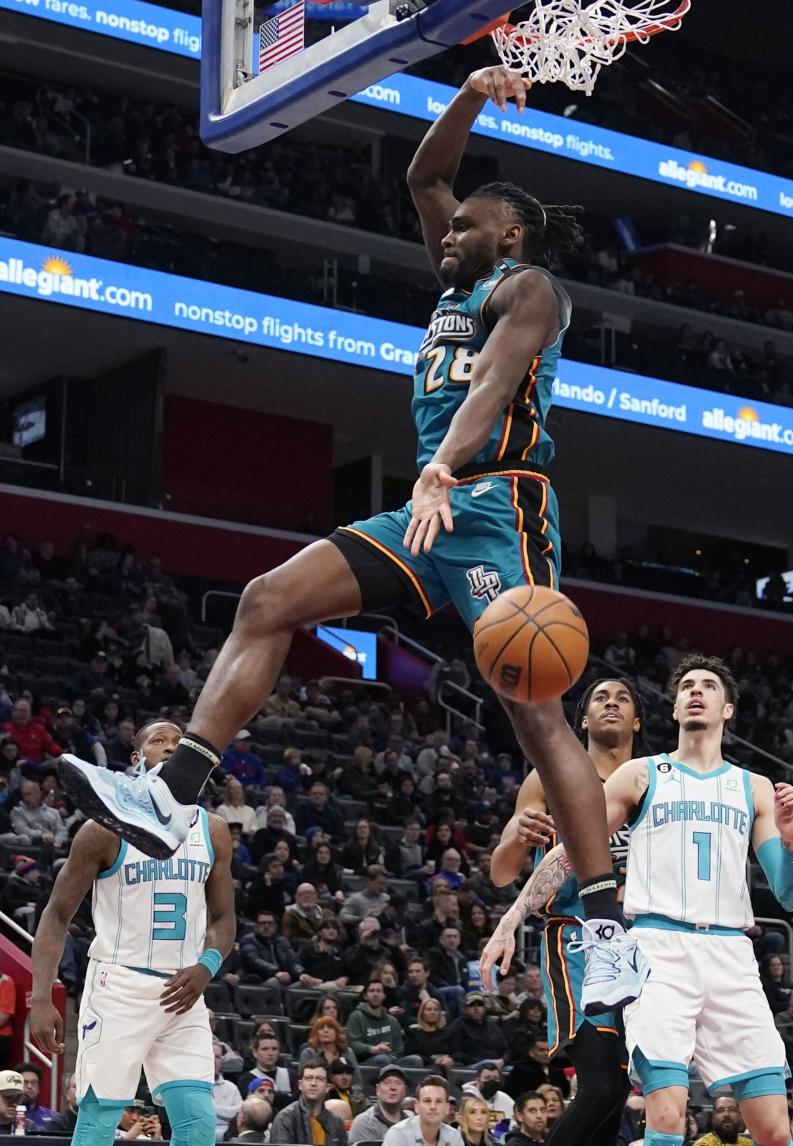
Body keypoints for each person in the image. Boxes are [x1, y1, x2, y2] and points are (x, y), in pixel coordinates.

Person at [58, 65, 643, 1020]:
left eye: (466, 226)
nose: (446, 233)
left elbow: (494, 383)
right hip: (429, 505)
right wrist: (471, 92)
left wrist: (443, 464)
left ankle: (607, 932)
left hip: (493, 502)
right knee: (265, 600)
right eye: (448, 227)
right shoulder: (457, 280)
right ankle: (172, 795)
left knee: (537, 712)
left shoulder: (529, 287)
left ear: (509, 232)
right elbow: (422, 177)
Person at [483, 653, 793, 1146]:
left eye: (709, 686)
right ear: (675, 709)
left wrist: (791, 844)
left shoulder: (755, 787)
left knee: (772, 1131)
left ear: (728, 709)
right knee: (653, 1108)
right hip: (648, 947)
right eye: (687, 687)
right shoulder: (640, 775)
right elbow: (571, 852)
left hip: (728, 953)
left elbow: (789, 895)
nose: (696, 691)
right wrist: (510, 919)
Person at [30, 720, 234, 1146]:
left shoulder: (212, 829)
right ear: (137, 760)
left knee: (198, 1125)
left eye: (181, 743)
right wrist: (41, 996)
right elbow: (55, 916)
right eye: (160, 741)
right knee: (99, 1120)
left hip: (184, 991)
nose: (173, 748)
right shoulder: (103, 828)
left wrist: (207, 965)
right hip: (119, 986)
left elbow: (223, 918)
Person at [491, 677, 644, 1146]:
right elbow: (501, 872)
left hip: (640, 941)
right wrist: (518, 833)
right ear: (581, 719)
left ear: (638, 720)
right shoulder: (551, 775)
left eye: (622, 699)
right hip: (577, 939)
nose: (611, 704)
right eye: (600, 698)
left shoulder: (652, 780)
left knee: (616, 1091)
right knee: (599, 1087)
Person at [345, 979, 420, 1069]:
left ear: (384, 996)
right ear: (365, 996)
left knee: (415, 1060)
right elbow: (352, 1044)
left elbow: (399, 1049)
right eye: (372, 991)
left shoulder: (392, 1020)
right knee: (383, 1059)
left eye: (379, 991)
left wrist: (392, 1057)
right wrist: (373, 1049)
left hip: (391, 1060)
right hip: (366, 1061)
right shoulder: (356, 1017)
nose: (375, 994)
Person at [269, 1061, 347, 1146]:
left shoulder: (336, 1122)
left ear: (328, 1087)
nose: (313, 1083)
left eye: (319, 1079)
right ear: (300, 1085)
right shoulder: (285, 1118)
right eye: (308, 1078)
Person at [381, 1076, 462, 1146]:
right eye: (427, 1101)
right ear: (416, 1106)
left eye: (438, 1101)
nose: (433, 1107)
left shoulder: (454, 1136)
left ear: (447, 1108)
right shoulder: (398, 1134)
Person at [347, 1066, 408, 1144]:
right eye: (387, 1083)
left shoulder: (411, 1123)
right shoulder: (364, 1122)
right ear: (378, 1089)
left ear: (404, 1091)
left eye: (398, 1083)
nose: (393, 1087)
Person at [446, 993, 506, 1067]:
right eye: (471, 1005)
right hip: (472, 1066)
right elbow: (456, 1052)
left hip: (497, 1064)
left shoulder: (492, 1024)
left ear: (484, 1008)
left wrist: (503, 1060)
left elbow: (505, 1048)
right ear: (466, 1008)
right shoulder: (458, 1024)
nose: (476, 1008)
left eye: (480, 1005)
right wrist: (476, 1060)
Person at [237, 1035, 297, 1108]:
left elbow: (298, 1100)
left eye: (274, 1049)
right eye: (265, 1049)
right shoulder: (246, 1079)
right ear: (255, 1052)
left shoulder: (291, 1074)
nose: (270, 1053)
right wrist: (287, 1097)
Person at [212, 1041, 243, 1142]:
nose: (214, 1061)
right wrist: (228, 1112)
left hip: (231, 1138)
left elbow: (240, 1113)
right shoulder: (192, 1087)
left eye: (217, 1057)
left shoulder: (231, 1087)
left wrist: (210, 1109)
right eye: (210, 1056)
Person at [14, 1064, 54, 1131]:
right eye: (25, 1082)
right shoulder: (9, 1114)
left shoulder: (53, 1117)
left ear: (39, 1088)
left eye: (34, 1082)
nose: (29, 1086)